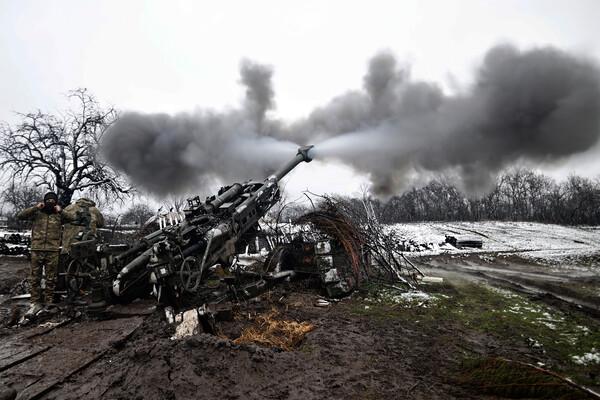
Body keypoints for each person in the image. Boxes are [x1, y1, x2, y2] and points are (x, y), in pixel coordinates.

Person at [17, 192, 75, 316]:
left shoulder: (59, 215)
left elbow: (73, 218)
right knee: (35, 277)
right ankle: (35, 302)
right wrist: (35, 207)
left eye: (52, 201)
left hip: (52, 250)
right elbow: (20, 216)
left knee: (51, 278)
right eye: (48, 200)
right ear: (44, 201)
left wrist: (61, 211)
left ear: (56, 202)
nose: (50, 203)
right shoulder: (37, 213)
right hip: (36, 249)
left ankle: (49, 302)